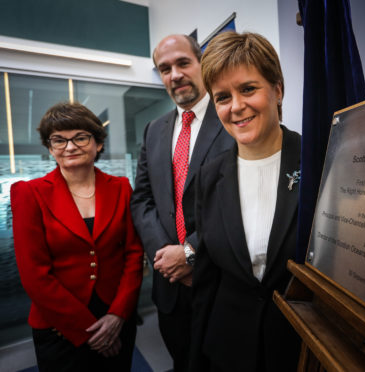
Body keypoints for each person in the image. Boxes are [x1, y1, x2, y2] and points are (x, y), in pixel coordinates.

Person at [189, 31, 301, 372]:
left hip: (300, 349)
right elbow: (207, 279)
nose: (236, 107)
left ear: (277, 90)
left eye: (248, 89)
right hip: (229, 348)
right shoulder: (208, 177)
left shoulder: (323, 160)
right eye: (223, 97)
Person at [10, 102, 143, 371]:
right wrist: (87, 331)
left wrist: (118, 314)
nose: (70, 147)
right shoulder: (28, 193)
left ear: (98, 143)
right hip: (60, 325)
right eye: (59, 140)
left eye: (80, 137)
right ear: (50, 148)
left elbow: (133, 255)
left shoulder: (121, 187)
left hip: (116, 316)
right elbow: (34, 274)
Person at [130, 34, 234, 371]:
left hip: (221, 282)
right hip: (170, 288)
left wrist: (190, 253)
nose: (174, 74)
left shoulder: (233, 118)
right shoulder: (153, 130)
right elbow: (142, 199)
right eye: (164, 68)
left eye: (183, 63)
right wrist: (166, 256)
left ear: (201, 63)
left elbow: (241, 200)